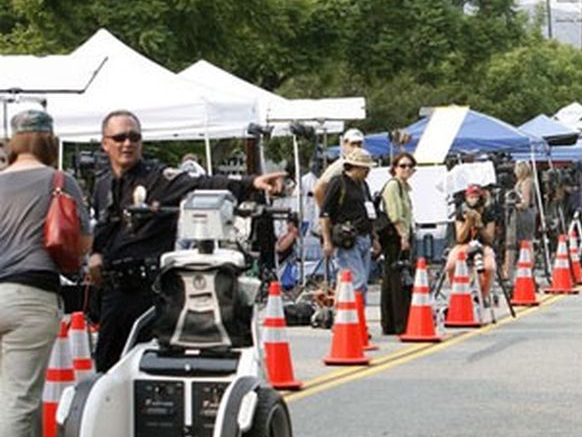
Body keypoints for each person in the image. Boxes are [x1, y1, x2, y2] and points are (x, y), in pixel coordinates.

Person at [88, 110, 284, 372]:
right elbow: (103, 229)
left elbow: (202, 182)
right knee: (106, 369)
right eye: (120, 137)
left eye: (134, 137)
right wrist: (95, 254)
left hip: (149, 291)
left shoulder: (158, 178)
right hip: (114, 292)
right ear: (105, 143)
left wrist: (252, 182)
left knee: (149, 368)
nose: (127, 143)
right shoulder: (102, 185)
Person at [0, 110, 92, 437]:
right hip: (32, 296)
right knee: (20, 399)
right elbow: (81, 244)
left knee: (11, 397)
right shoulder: (59, 181)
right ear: (50, 140)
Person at [319, 148, 376, 298]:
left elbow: (369, 212)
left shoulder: (364, 186)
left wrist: (374, 238)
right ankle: (353, 317)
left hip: (364, 237)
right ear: (355, 167)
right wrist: (327, 240)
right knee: (358, 282)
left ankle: (352, 316)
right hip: (347, 240)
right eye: (365, 168)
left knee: (351, 281)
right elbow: (324, 214)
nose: (367, 172)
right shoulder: (339, 183)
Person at [378, 152, 415, 334]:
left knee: (395, 279)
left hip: (401, 235)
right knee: (396, 280)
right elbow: (395, 214)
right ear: (394, 168)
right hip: (395, 237)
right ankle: (397, 322)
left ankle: (394, 321)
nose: (406, 169)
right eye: (402, 165)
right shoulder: (393, 186)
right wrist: (403, 236)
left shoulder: (404, 187)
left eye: (409, 166)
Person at [447, 184, 498, 303]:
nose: (473, 200)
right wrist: (468, 222)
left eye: (476, 197)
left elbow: (490, 239)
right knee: (451, 264)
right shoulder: (461, 211)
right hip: (464, 245)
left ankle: (483, 295)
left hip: (482, 245)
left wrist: (480, 225)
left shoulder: (488, 212)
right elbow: (460, 237)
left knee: (489, 266)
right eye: (470, 197)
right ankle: (456, 291)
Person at [314, 128, 365, 208]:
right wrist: (325, 213)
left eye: (359, 144)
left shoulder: (358, 165)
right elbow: (318, 189)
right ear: (345, 144)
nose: (356, 148)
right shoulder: (340, 165)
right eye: (353, 144)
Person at [504, 161, 536, 280]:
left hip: (525, 214)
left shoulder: (526, 182)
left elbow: (526, 203)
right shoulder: (522, 182)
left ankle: (529, 264)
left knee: (527, 240)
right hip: (522, 214)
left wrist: (513, 205)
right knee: (525, 240)